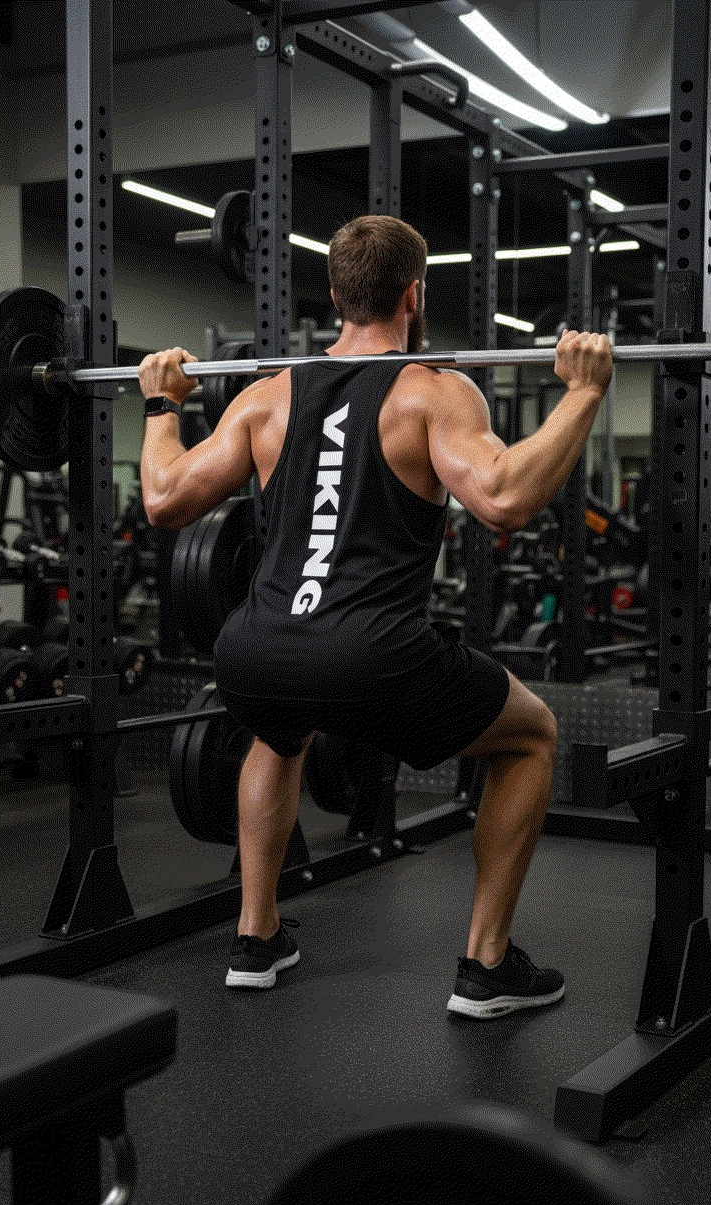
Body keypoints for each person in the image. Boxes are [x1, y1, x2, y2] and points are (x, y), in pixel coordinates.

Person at [138, 214, 612, 1018]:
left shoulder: (266, 396)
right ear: (415, 293)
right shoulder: (433, 390)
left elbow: (163, 497)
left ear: (334, 295)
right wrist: (586, 392)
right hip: (371, 657)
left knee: (277, 732)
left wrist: (159, 403)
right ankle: (487, 966)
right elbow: (502, 499)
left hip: (252, 653)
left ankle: (255, 940)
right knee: (530, 736)